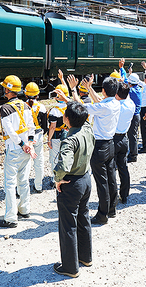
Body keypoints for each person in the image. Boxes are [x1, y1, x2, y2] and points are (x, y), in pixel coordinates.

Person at [66, 75, 120, 225]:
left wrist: (73, 89)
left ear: (103, 90)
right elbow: (100, 101)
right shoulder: (115, 103)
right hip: (110, 144)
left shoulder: (103, 106)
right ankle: (112, 209)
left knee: (101, 182)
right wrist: (89, 88)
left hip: (100, 146)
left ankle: (102, 215)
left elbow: (80, 107)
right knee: (111, 178)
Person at [52, 101, 95, 278]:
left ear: (67, 119)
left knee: (68, 224)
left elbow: (63, 165)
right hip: (86, 180)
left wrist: (57, 179)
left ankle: (70, 267)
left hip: (72, 184)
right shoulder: (87, 129)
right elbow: (83, 117)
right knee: (84, 218)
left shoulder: (69, 140)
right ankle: (86, 257)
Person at [0, 75, 36, 228]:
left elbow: (10, 131)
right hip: (26, 149)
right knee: (24, 181)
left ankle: (11, 218)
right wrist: (29, 143)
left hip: (14, 149)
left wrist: (21, 144)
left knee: (10, 184)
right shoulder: (26, 105)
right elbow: (31, 127)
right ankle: (25, 209)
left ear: (8, 89)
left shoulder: (5, 108)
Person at [113, 83, 135, 204]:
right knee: (123, 168)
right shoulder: (131, 104)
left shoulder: (116, 106)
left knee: (111, 169)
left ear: (116, 94)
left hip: (114, 139)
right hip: (124, 139)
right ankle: (125, 195)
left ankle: (112, 196)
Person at [24, 82, 47, 193]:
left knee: (26, 162)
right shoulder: (41, 107)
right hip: (38, 134)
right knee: (39, 161)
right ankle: (38, 186)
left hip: (27, 136)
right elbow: (45, 125)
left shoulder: (23, 106)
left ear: (25, 94)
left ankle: (23, 188)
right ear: (37, 95)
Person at [48, 84, 69, 180]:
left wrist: (49, 140)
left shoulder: (54, 111)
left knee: (55, 158)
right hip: (68, 135)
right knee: (66, 156)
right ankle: (66, 175)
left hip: (56, 137)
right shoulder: (70, 107)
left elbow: (52, 127)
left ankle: (55, 178)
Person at [126, 73, 142, 162]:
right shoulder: (138, 89)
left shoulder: (131, 91)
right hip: (136, 115)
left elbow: (125, 86)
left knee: (132, 136)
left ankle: (133, 156)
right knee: (133, 135)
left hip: (133, 116)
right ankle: (133, 153)